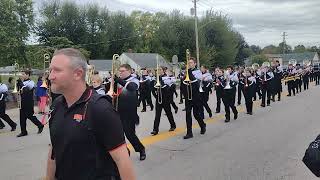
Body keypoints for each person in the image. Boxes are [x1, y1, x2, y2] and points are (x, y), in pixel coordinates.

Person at [46, 48, 136, 180]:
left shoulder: (100, 109)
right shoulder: (57, 105)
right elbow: (54, 149)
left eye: (57, 70)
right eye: (50, 70)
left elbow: (122, 160)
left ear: (78, 74)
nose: (50, 76)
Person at [108, 64, 146, 161]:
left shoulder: (134, 80)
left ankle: (141, 149)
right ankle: (125, 152)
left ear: (129, 71)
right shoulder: (118, 81)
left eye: (122, 71)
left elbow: (132, 87)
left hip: (129, 113)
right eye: (119, 71)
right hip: (117, 111)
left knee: (130, 134)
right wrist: (111, 82)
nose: (120, 73)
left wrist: (118, 80)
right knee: (118, 135)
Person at [182, 57, 206, 139]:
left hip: (196, 96)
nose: (189, 64)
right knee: (188, 114)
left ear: (195, 64)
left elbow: (195, 81)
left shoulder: (198, 72)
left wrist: (188, 72)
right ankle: (189, 133)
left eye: (191, 63)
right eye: (188, 63)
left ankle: (202, 125)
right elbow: (183, 83)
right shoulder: (186, 72)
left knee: (196, 114)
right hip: (188, 96)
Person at [16, 70, 44, 137]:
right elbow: (19, 91)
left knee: (30, 116)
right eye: (21, 74)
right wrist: (18, 85)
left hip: (28, 102)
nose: (22, 75)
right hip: (22, 101)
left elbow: (26, 89)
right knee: (22, 117)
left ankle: (40, 125)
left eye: (23, 74)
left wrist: (20, 83)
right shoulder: (22, 82)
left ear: (28, 75)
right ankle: (24, 131)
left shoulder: (31, 82)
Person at [150, 66, 177, 136]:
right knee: (157, 115)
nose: (158, 71)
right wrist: (156, 96)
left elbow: (170, 88)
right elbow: (153, 89)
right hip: (159, 98)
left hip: (165, 98)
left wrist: (168, 96)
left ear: (163, 70)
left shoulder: (167, 78)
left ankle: (173, 125)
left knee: (168, 113)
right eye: (157, 70)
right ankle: (155, 130)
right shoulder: (156, 78)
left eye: (160, 70)